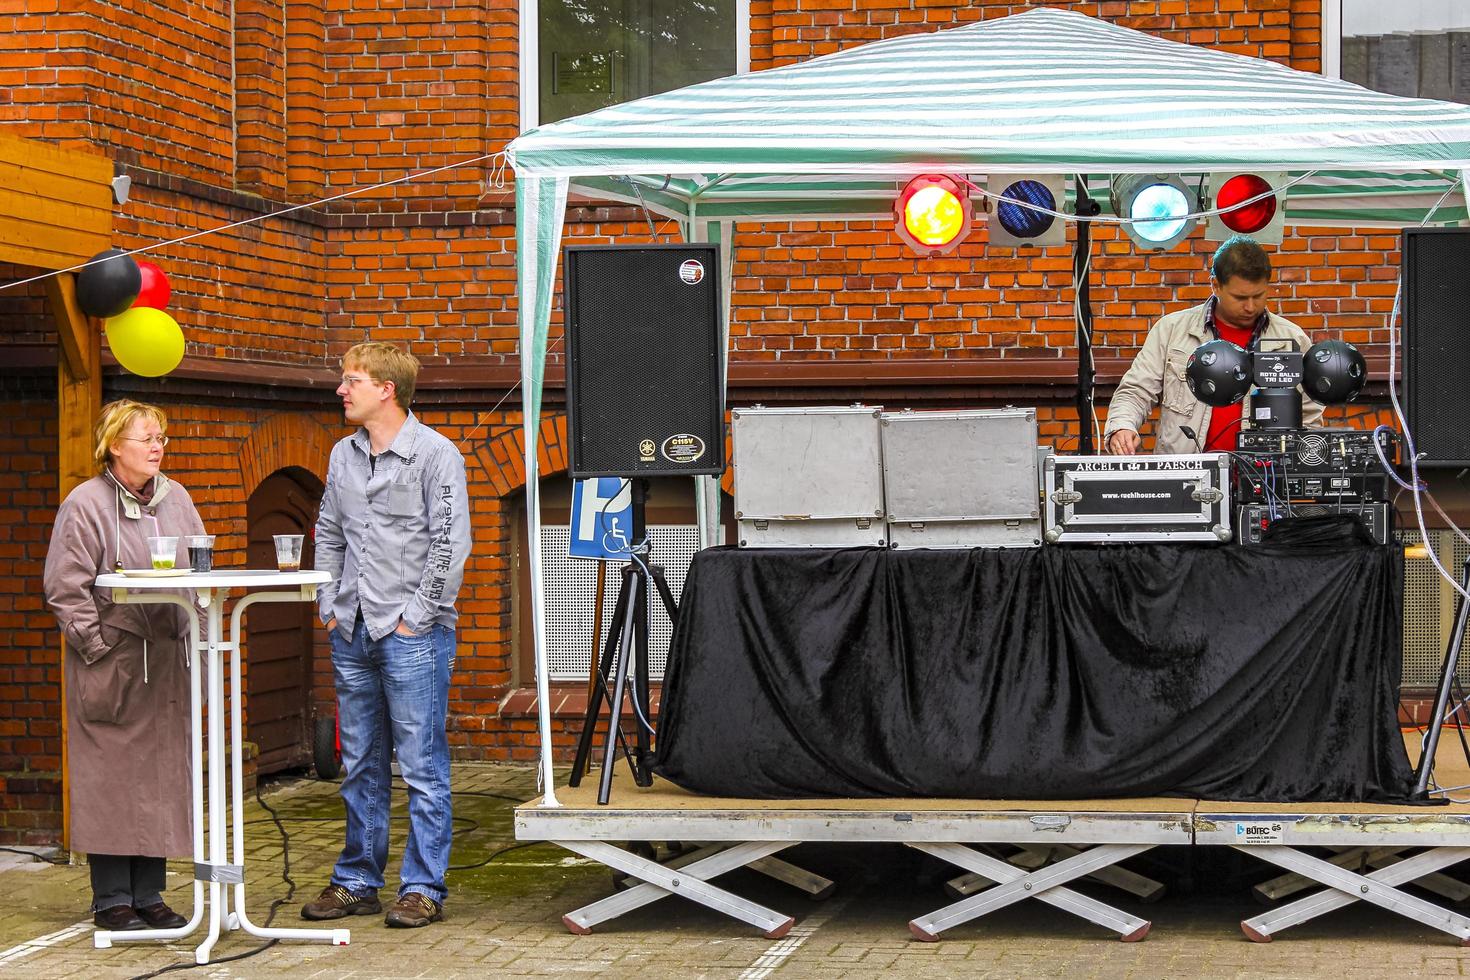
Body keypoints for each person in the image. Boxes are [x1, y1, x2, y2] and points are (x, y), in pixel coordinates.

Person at [303, 342, 471, 929]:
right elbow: (328, 531)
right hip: (351, 629)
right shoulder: (341, 456)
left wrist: (413, 620)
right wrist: (329, 605)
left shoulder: (435, 454)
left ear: (386, 390)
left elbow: (450, 547)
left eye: (352, 381)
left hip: (412, 636)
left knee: (422, 766)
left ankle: (423, 887)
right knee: (361, 763)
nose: (341, 391)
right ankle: (356, 881)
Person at [43, 400, 204, 931]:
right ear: (115, 446)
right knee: (111, 777)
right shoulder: (84, 503)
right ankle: (111, 898)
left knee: (157, 776)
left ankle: (151, 895)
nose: (158, 446)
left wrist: (195, 634)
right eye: (146, 438)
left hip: (165, 662)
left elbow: (200, 567)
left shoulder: (176, 497)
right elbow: (65, 588)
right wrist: (98, 647)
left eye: (162, 437)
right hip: (112, 660)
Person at [1104, 235, 1322, 455]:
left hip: (1266, 481)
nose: (1250, 306)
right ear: (1215, 285)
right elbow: (1136, 390)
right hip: (1186, 478)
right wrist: (1122, 426)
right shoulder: (1171, 330)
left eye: (1259, 295)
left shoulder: (1293, 340)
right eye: (1240, 297)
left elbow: (1310, 417)